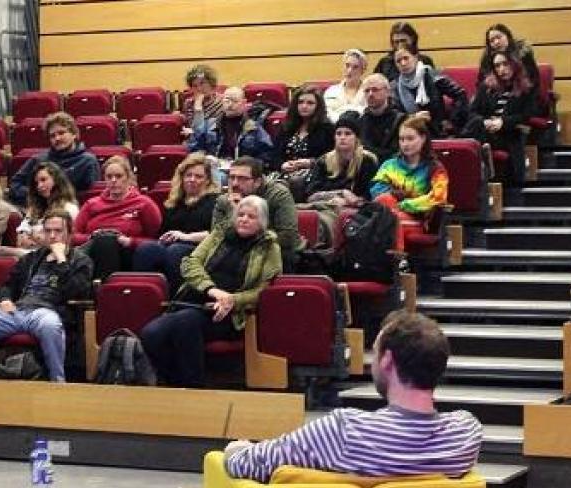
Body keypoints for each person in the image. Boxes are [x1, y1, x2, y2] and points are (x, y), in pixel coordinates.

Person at [223, 310, 481, 483]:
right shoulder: (465, 434)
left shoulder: (344, 431)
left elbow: (247, 464)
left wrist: (237, 449)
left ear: (388, 360)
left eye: (375, 352)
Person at [139, 195, 282, 387]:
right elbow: (190, 264)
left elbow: (265, 290)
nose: (244, 219)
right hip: (193, 300)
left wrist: (233, 299)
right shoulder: (219, 235)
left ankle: (193, 387)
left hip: (229, 315)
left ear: (262, 221)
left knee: (186, 323)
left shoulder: (269, 247)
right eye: (241, 214)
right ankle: (174, 383)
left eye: (251, 216)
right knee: (150, 334)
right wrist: (212, 290)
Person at [0, 210, 93, 383]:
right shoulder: (32, 258)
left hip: (46, 312)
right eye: (48, 230)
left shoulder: (80, 261)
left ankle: (57, 381)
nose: (52, 236)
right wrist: (4, 300)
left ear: (70, 233)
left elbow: (77, 292)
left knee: (50, 326)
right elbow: (8, 285)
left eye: (58, 231)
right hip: (17, 311)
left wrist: (61, 260)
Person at [132, 153, 222, 290]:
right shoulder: (174, 203)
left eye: (198, 176)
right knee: (147, 249)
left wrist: (185, 236)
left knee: (176, 250)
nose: (192, 179)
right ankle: (145, 294)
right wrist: (166, 237)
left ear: (208, 180)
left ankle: (177, 298)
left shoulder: (216, 201)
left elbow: (217, 234)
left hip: (202, 248)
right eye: (188, 175)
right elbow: (162, 233)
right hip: (172, 246)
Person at [73, 156, 163, 280]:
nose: (113, 180)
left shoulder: (144, 204)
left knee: (108, 240)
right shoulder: (91, 204)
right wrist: (91, 237)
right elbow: (73, 235)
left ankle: (107, 287)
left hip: (128, 253)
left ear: (129, 178)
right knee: (104, 240)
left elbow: (156, 239)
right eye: (109, 177)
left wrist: (130, 241)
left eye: (119, 176)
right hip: (94, 251)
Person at [370, 114, 449, 253]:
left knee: (391, 221)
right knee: (383, 203)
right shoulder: (390, 165)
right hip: (389, 213)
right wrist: (394, 198)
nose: (405, 144)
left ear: (423, 139)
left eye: (410, 139)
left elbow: (438, 198)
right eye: (402, 139)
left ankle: (397, 265)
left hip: (419, 220)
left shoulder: (436, 169)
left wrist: (405, 205)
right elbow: (376, 190)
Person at [212, 156, 301, 271]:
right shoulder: (224, 200)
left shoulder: (278, 195)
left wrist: (249, 241)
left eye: (242, 178)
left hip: (274, 251)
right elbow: (216, 237)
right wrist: (234, 211)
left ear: (258, 182)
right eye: (232, 177)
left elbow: (287, 237)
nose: (234, 183)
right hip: (237, 251)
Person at [466, 49, 538, 189]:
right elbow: (472, 112)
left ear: (514, 64)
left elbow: (526, 116)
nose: (501, 69)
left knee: (475, 129)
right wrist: (485, 121)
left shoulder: (525, 88)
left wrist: (503, 122)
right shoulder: (486, 86)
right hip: (486, 130)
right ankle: (481, 151)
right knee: (475, 123)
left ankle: (480, 151)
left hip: (508, 135)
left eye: (505, 64)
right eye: (497, 66)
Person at [6, 112, 99, 207]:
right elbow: (15, 184)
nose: (57, 138)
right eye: (52, 136)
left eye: (61, 133)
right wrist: (37, 195)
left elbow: (90, 195)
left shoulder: (88, 161)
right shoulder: (39, 159)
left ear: (74, 134)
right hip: (40, 209)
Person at [0, 162, 79, 257]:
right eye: (36, 183)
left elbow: (59, 241)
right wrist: (31, 236)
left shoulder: (69, 208)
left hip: (54, 256)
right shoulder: (35, 208)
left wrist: (35, 237)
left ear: (57, 181)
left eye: (43, 180)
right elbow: (21, 236)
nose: (39, 186)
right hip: (28, 254)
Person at [270, 85, 336, 199]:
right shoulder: (287, 127)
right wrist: (282, 165)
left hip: (315, 172)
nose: (304, 106)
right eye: (300, 102)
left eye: (310, 103)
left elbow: (333, 157)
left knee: (296, 181)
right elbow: (274, 155)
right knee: (266, 182)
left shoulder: (327, 128)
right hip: (285, 171)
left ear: (318, 106)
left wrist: (310, 162)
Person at [391, 45, 469, 136]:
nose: (403, 63)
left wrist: (452, 121)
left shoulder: (432, 76)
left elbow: (460, 94)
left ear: (415, 58)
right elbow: (393, 115)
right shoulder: (394, 87)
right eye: (398, 61)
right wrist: (413, 118)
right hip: (408, 133)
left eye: (406, 58)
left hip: (437, 131)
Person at [304, 112, 379, 205]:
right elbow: (310, 195)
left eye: (348, 134)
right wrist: (342, 193)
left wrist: (347, 202)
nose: (342, 137)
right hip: (326, 206)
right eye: (338, 134)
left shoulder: (367, 160)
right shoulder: (324, 160)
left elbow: (371, 195)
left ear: (357, 138)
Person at [186, 87, 274, 164]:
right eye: (227, 100)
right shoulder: (208, 125)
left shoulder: (254, 129)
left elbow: (266, 156)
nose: (230, 104)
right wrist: (205, 159)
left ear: (244, 103)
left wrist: (246, 165)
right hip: (212, 171)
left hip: (241, 173)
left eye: (235, 101)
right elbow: (194, 149)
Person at [478, 24, 540, 97]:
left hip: (522, 96)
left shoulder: (523, 55)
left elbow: (533, 81)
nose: (496, 42)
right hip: (495, 98)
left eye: (499, 37)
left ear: (508, 36)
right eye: (492, 41)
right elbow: (481, 83)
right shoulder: (487, 60)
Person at [356, 74, 407, 163]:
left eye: (375, 90)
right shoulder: (360, 121)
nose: (370, 94)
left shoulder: (401, 120)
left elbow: (398, 152)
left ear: (387, 92)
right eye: (367, 91)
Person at [324, 49, 369, 122]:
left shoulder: (369, 91)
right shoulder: (331, 91)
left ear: (363, 70)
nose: (349, 70)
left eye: (355, 67)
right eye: (347, 65)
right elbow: (326, 114)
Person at [182, 64, 224, 132]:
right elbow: (197, 130)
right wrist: (198, 107)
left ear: (211, 83)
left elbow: (214, 130)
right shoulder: (189, 103)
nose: (199, 88)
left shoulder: (222, 101)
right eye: (195, 86)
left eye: (202, 83)